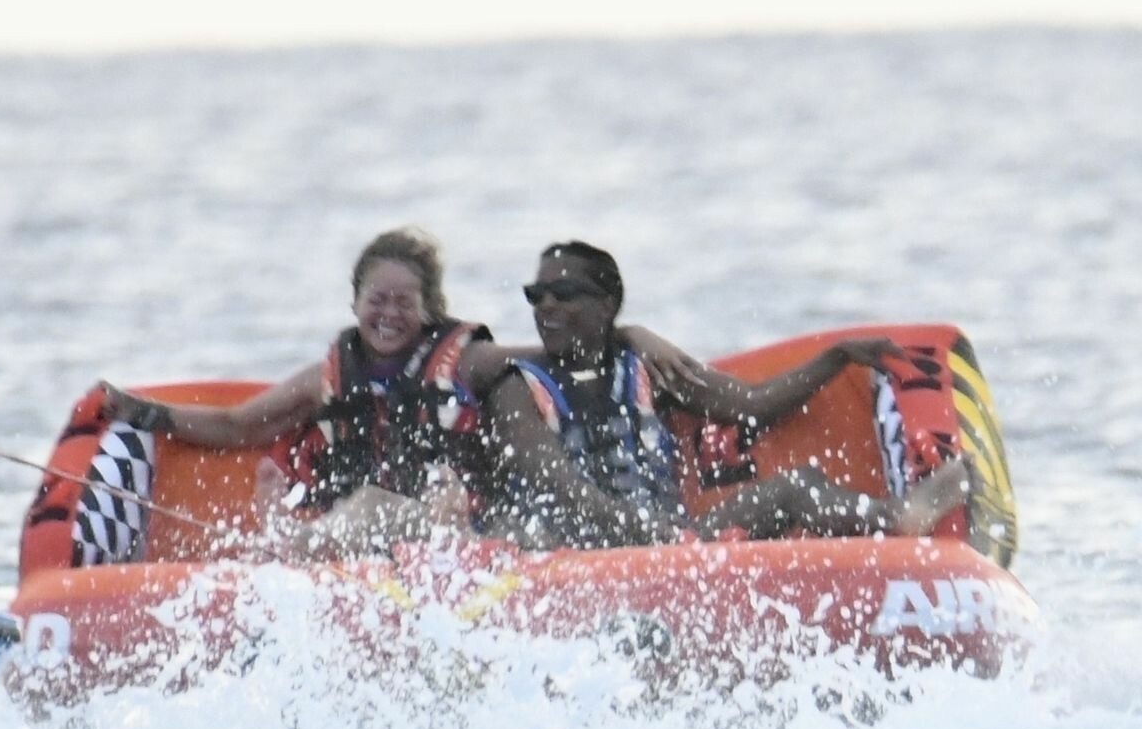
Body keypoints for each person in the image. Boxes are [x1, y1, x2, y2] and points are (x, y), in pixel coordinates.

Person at [100, 228, 688, 555]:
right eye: (376, 301)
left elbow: (558, 355)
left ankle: (293, 546)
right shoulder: (328, 377)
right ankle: (302, 543)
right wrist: (146, 413)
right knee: (370, 508)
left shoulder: (468, 361)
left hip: (464, 532)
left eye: (404, 303)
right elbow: (238, 425)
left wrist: (630, 334)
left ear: (429, 309)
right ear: (355, 303)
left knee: (377, 507)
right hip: (377, 545)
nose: (388, 314)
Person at [485, 240, 971, 549]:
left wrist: (835, 358)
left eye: (564, 294)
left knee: (796, 488)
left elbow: (752, 406)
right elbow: (562, 491)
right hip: (573, 556)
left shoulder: (649, 369)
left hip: (672, 546)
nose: (546, 307)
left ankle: (899, 517)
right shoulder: (517, 389)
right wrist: (652, 537)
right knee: (524, 529)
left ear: (607, 304)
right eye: (535, 296)